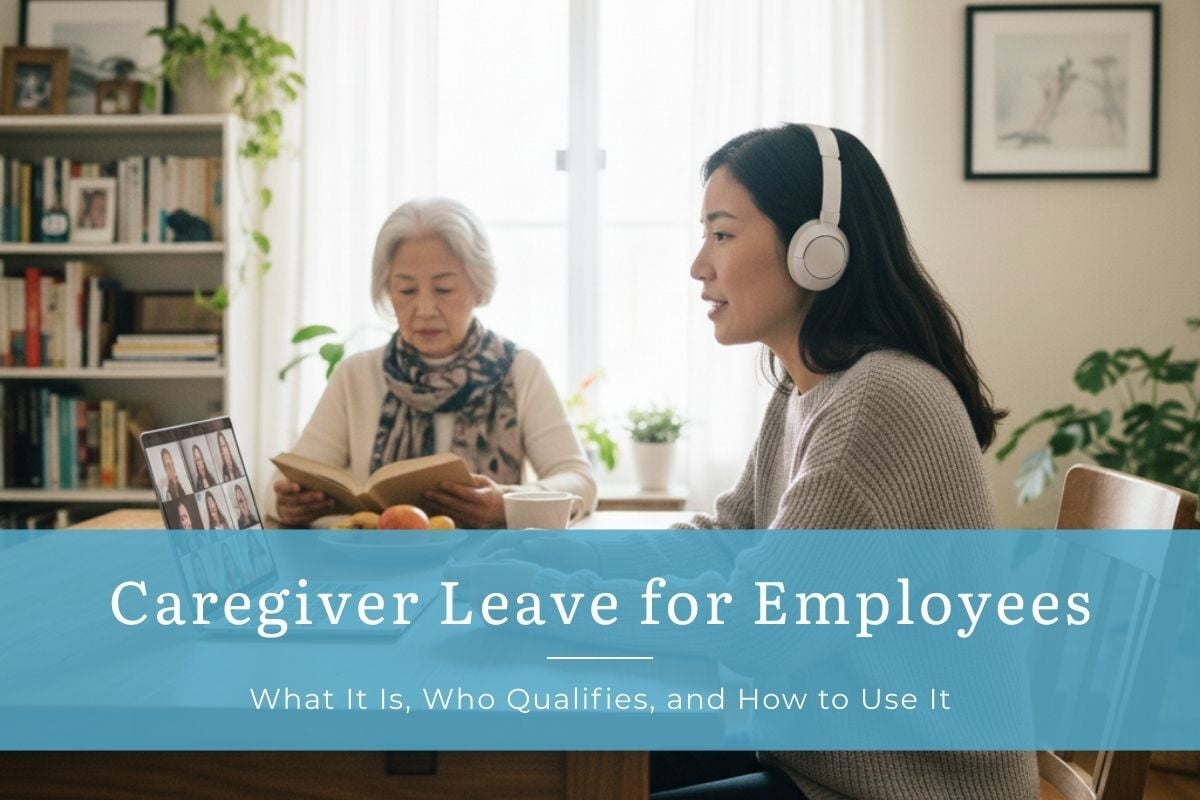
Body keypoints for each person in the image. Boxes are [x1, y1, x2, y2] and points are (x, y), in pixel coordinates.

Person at [457, 124, 1037, 798]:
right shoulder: (808, 387)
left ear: (818, 250)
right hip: (817, 766)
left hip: (898, 788)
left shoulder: (877, 401)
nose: (698, 264)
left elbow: (755, 629)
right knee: (532, 775)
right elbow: (726, 544)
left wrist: (546, 601)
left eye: (723, 234)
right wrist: (565, 559)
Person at [272, 197, 597, 528]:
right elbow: (280, 486)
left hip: (492, 570)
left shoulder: (520, 370)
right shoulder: (357, 376)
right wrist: (290, 503)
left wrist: (506, 503)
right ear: (387, 290)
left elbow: (579, 480)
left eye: (443, 289)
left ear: (480, 288)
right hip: (377, 571)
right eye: (406, 290)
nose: (424, 309)